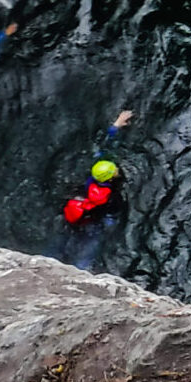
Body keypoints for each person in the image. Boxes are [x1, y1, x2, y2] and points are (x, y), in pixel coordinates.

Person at [59, 110, 134, 266]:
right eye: (114, 170)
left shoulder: (93, 177)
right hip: (94, 221)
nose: (116, 170)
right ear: (110, 177)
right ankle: (81, 269)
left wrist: (116, 125)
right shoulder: (110, 195)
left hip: (80, 212)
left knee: (64, 238)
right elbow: (113, 211)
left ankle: (51, 258)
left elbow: (105, 147)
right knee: (93, 242)